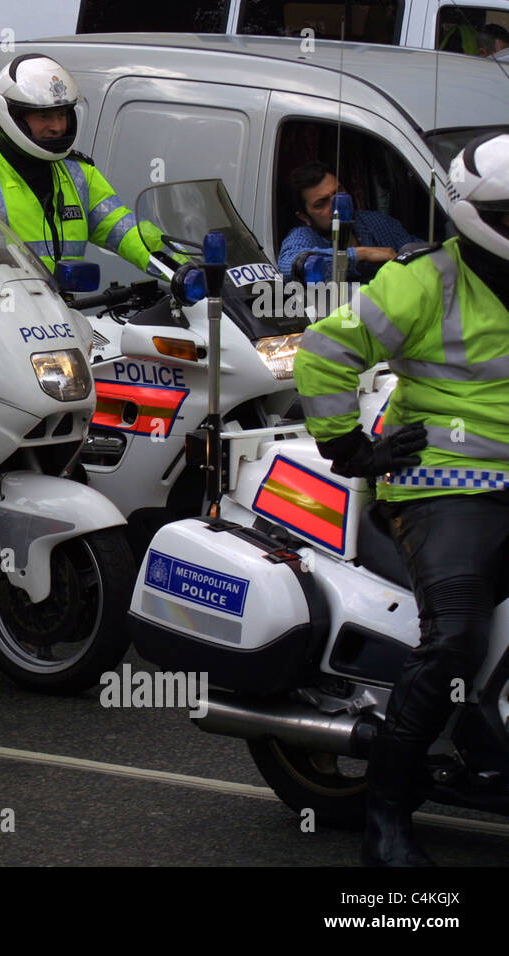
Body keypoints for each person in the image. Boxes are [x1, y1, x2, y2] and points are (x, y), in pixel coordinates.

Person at [293, 132, 509, 867]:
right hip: (449, 480)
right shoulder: (425, 281)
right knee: (455, 637)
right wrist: (349, 448)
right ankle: (389, 810)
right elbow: (325, 349)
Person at [0, 54, 160, 274]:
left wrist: (179, 266)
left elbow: (123, 229)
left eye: (62, 115)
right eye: (44, 116)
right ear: (12, 115)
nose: (58, 127)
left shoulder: (78, 173)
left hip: (64, 312)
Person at [277, 161, 424, 282]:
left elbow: (421, 254)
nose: (337, 206)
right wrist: (361, 254)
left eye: (339, 193)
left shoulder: (376, 221)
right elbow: (289, 266)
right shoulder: (303, 236)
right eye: (321, 203)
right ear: (304, 217)